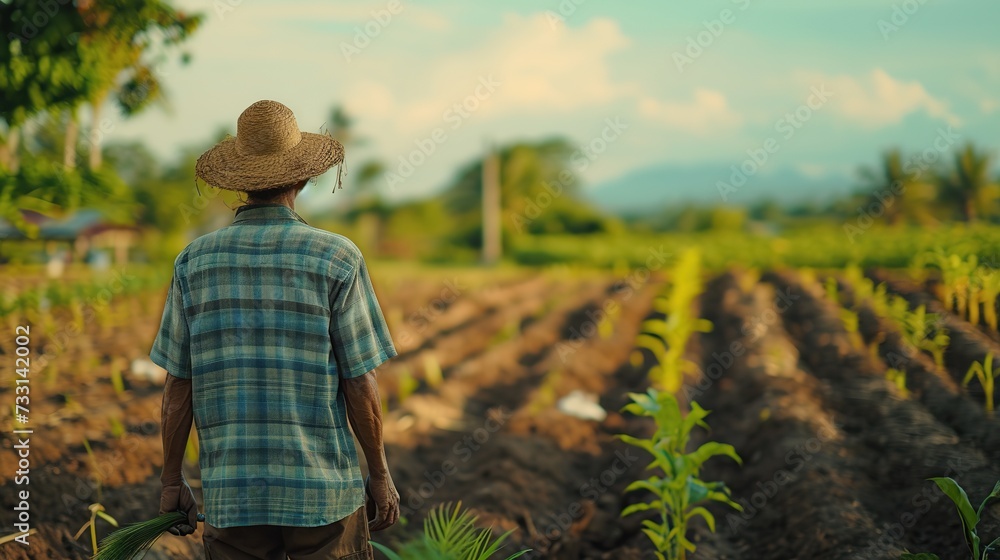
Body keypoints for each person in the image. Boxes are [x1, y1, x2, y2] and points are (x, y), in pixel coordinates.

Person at [150, 99, 400, 560]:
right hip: (323, 496)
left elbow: (178, 386)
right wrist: (380, 474)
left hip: (232, 498)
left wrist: (171, 480)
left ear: (239, 183)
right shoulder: (337, 257)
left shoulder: (194, 262)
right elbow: (360, 383)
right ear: (303, 178)